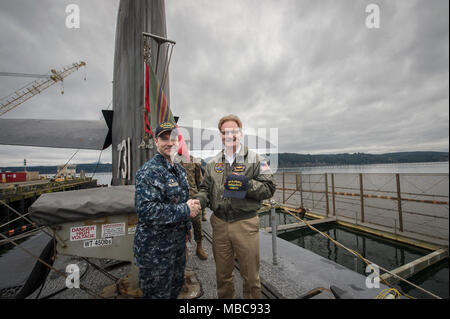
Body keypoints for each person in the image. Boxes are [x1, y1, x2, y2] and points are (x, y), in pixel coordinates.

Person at [194, 114, 276, 299]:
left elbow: (270, 188)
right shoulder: (213, 163)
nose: (229, 136)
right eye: (224, 132)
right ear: (220, 135)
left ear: (241, 133)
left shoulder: (257, 160)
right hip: (220, 225)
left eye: (233, 131)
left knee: (251, 278)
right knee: (223, 276)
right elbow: (205, 189)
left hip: (245, 224)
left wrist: (246, 185)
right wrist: (198, 201)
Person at [134, 121, 201, 299]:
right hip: (155, 251)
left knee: (174, 289)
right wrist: (186, 210)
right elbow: (146, 211)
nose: (169, 143)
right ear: (156, 142)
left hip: (177, 246)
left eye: (173, 138)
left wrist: (187, 227)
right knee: (157, 294)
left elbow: (182, 199)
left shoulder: (178, 169)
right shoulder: (149, 171)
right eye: (164, 138)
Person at [176, 141, 208, 260]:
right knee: (179, 225)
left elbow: (200, 183)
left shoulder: (194, 161)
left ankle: (199, 246)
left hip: (193, 197)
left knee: (197, 223)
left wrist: (203, 210)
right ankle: (183, 248)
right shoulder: (171, 161)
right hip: (178, 199)